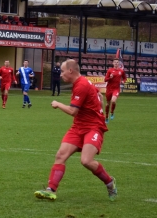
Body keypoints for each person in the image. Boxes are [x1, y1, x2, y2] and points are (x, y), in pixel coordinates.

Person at [34, 59, 117, 202]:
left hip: (93, 127)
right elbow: (100, 95)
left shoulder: (82, 85)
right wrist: (100, 110)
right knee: (60, 155)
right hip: (79, 126)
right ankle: (51, 190)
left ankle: (110, 183)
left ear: (70, 71)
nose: (61, 75)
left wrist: (57, 104)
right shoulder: (82, 82)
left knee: (86, 161)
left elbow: (73, 111)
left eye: (62, 71)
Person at [104, 58, 127, 124]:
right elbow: (105, 80)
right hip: (109, 89)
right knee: (108, 103)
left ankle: (112, 112)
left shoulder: (121, 71)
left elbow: (125, 78)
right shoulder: (110, 70)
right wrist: (109, 78)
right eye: (115, 62)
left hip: (116, 89)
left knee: (113, 101)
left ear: (119, 64)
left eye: (117, 62)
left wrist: (123, 81)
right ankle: (106, 117)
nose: (116, 63)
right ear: (113, 63)